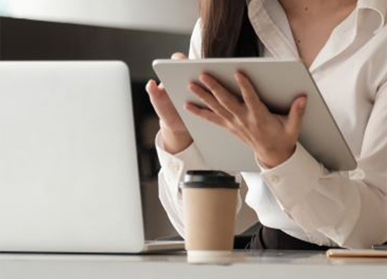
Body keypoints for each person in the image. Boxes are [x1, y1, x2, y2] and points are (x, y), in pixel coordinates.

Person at [146, 0, 387, 249]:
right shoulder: (226, 24)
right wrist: (179, 134)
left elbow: (375, 226)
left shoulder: (380, 32)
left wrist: (282, 159)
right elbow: (197, 229)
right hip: (270, 257)